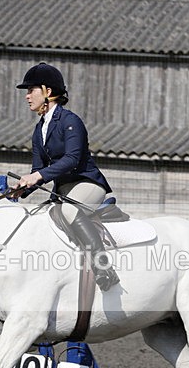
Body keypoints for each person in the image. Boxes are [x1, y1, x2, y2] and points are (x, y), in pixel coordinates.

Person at [14, 62, 119, 291]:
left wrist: (38, 176)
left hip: (87, 183)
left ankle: (104, 268)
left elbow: (72, 159)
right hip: (63, 191)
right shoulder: (39, 129)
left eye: (31, 90)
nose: (27, 96)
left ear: (48, 92)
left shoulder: (71, 121)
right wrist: (23, 188)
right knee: (38, 217)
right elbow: (37, 170)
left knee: (71, 211)